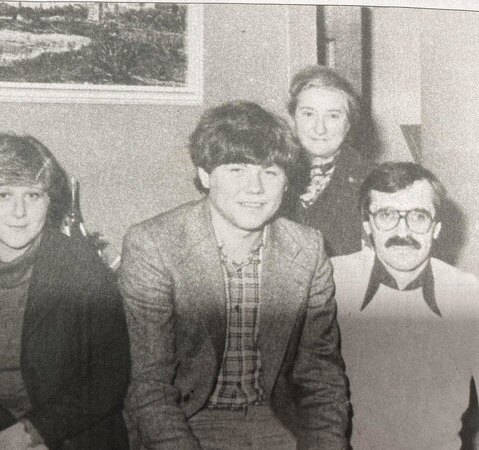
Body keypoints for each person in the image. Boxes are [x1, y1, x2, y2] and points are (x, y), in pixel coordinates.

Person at [120, 101, 350, 449]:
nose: (255, 188)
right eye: (237, 170)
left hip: (276, 419)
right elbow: (148, 385)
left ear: (287, 182)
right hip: (189, 420)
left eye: (270, 172)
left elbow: (321, 375)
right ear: (204, 175)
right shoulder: (154, 245)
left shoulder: (308, 249)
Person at [0, 132, 130, 449]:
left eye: (33, 196)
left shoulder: (82, 270)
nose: (19, 212)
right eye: (3, 195)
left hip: (75, 436)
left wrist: (33, 434)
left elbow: (108, 378)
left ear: (49, 202)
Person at [332, 161, 479, 449]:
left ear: (436, 228)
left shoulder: (467, 294)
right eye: (386, 214)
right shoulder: (331, 282)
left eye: (419, 217)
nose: (403, 231)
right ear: (367, 226)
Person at [284, 65, 376, 256]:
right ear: (293, 118)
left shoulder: (372, 181)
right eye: (308, 114)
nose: (320, 128)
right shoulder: (271, 174)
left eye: (333, 116)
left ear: (349, 123)